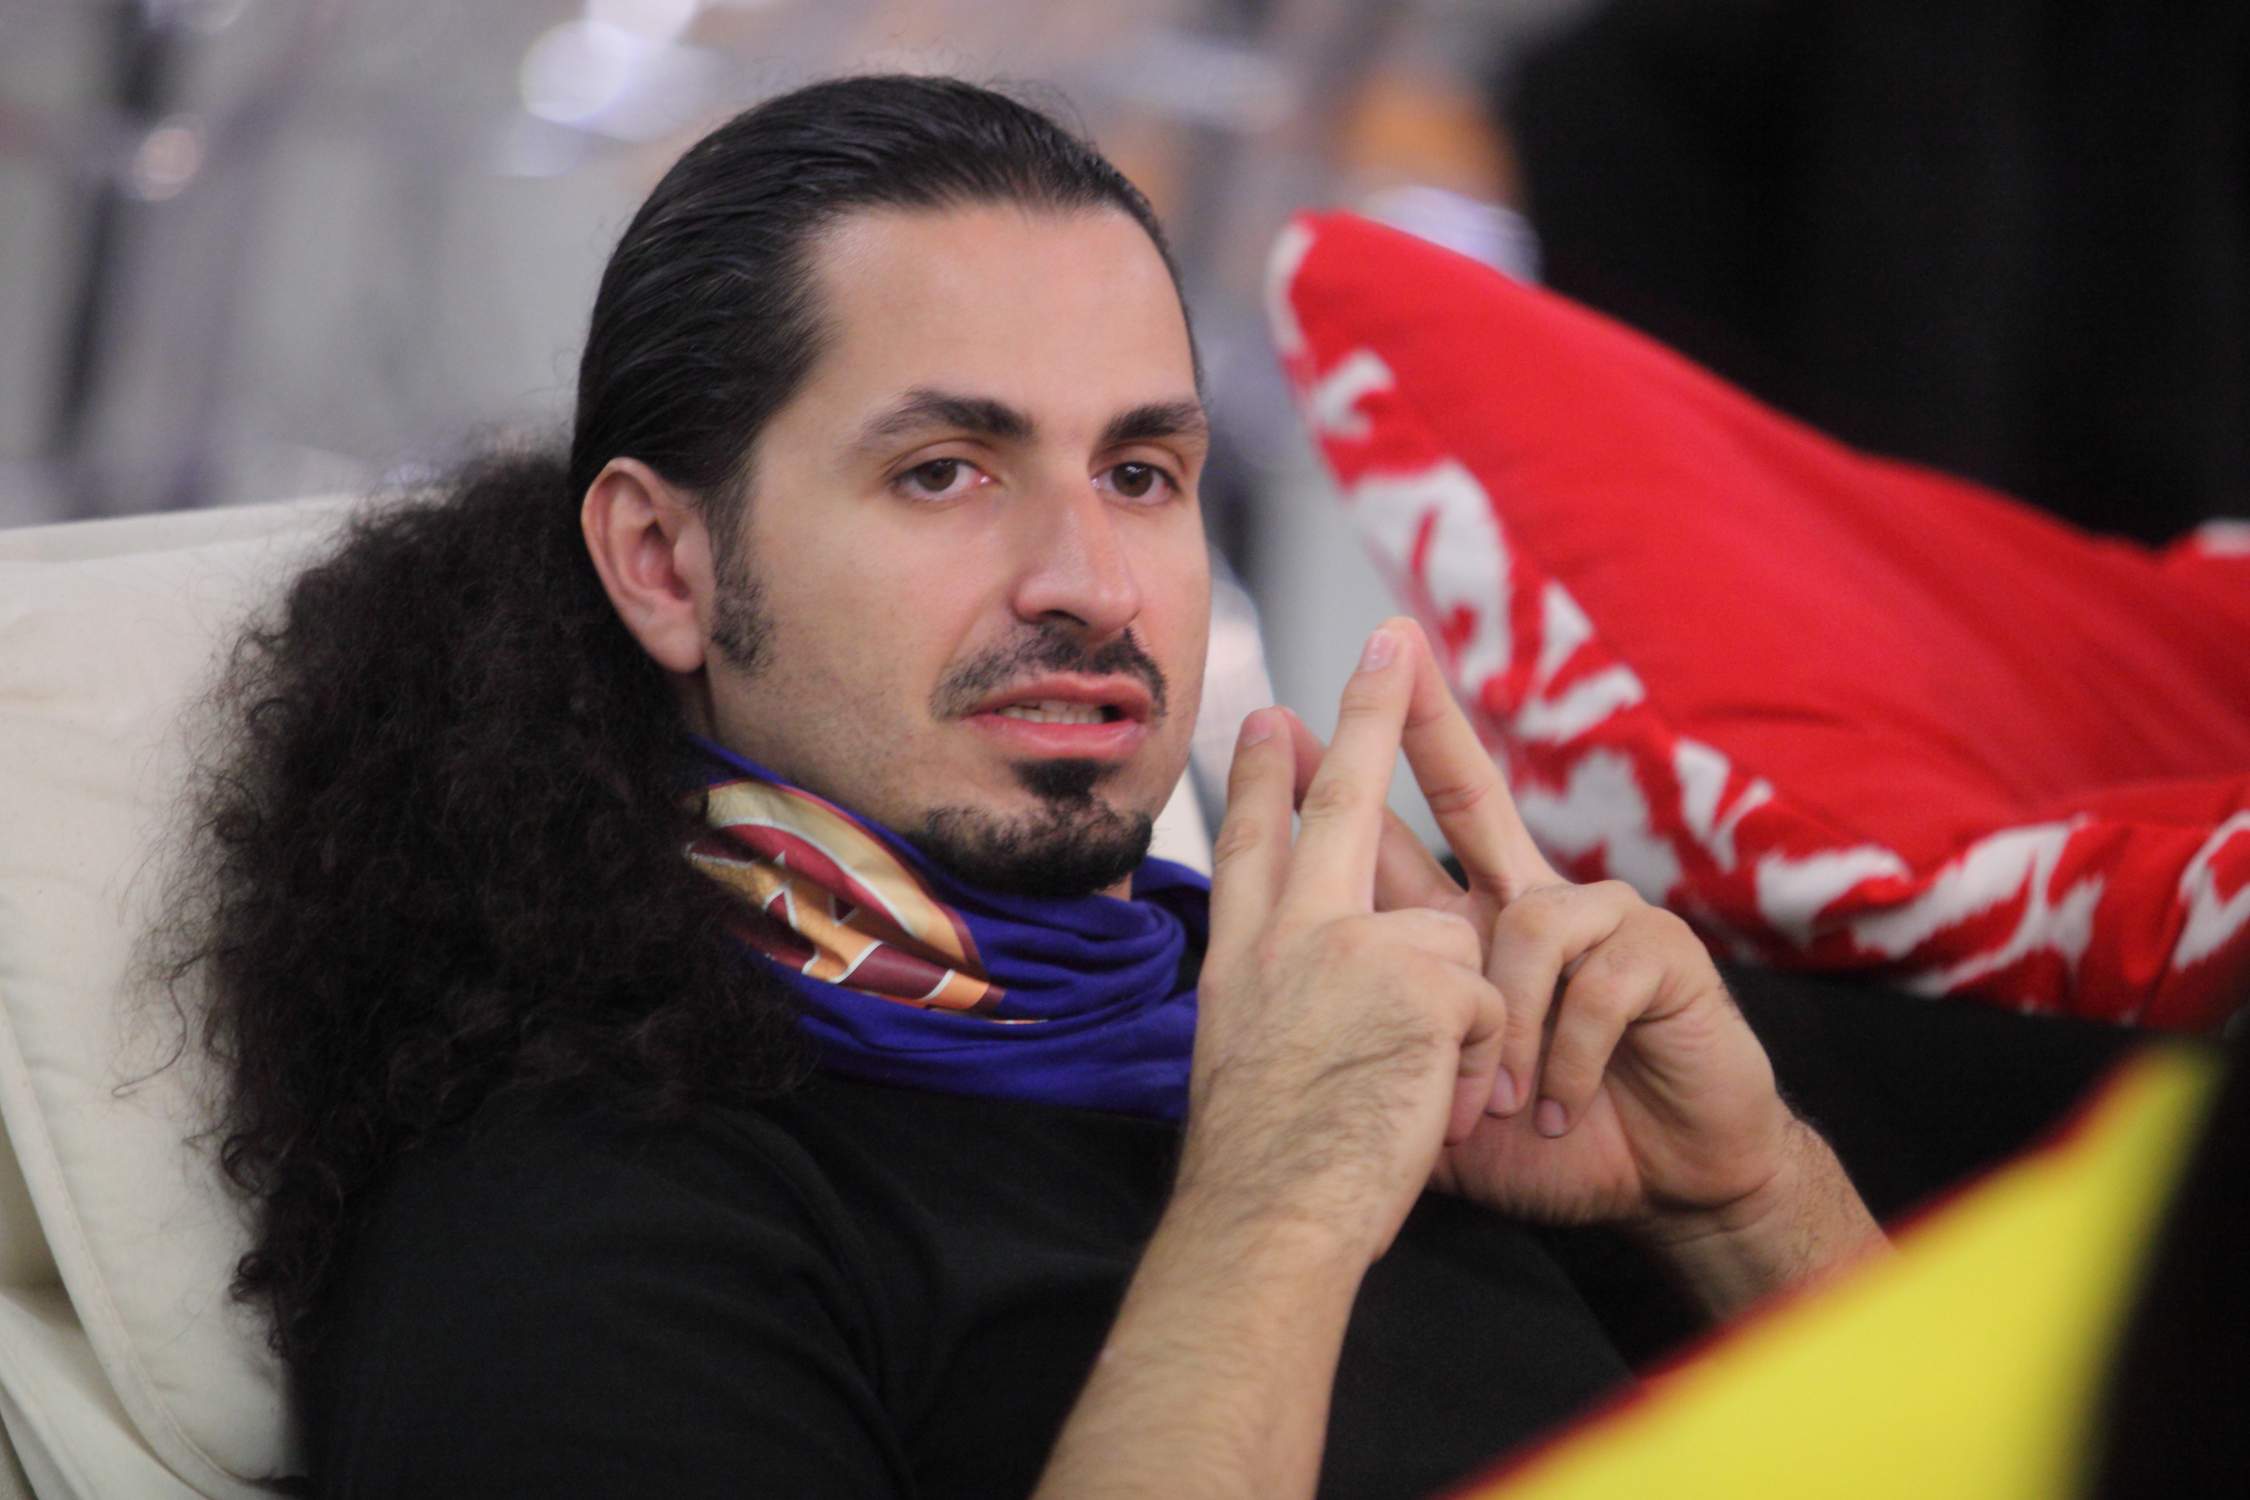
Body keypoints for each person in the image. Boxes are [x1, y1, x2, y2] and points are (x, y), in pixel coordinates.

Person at [172, 75, 1884, 1499]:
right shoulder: (575, 1223)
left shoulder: (1399, 1065)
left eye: (1140, 471)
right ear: (663, 563)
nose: (1090, 580)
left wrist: (1739, 1203)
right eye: (943, 472)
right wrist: (1276, 1199)